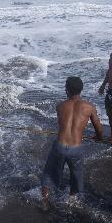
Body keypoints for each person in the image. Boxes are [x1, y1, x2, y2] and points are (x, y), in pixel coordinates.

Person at [41, 76, 103, 210]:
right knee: (76, 175)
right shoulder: (89, 107)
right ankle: (71, 199)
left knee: (49, 173)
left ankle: (45, 201)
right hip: (76, 148)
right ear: (81, 90)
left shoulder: (60, 106)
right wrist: (99, 137)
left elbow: (64, 123)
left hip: (60, 146)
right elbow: (98, 127)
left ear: (67, 90)